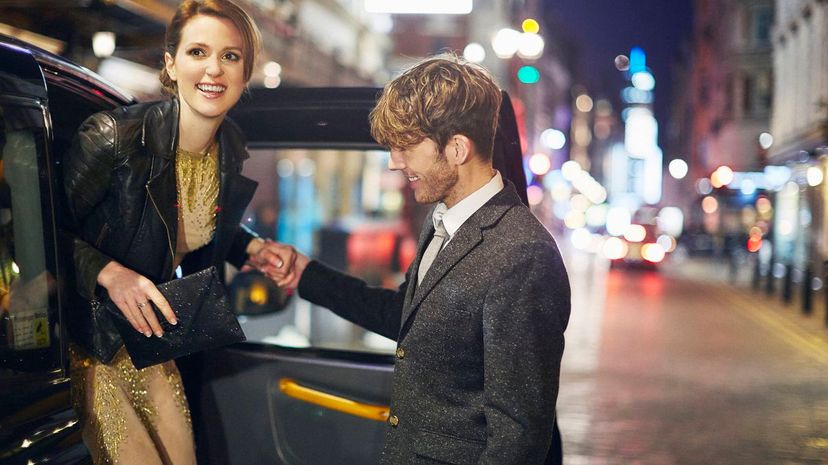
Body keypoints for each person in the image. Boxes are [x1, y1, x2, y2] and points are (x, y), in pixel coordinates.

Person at [273, 55, 571, 464]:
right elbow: (409, 319)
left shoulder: (523, 255)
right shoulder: (442, 222)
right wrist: (306, 274)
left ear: (458, 148)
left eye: (407, 145)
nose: (395, 161)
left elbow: (517, 437)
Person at [62, 2, 287, 464]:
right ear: (171, 63)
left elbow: (191, 218)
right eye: (198, 51)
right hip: (87, 341)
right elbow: (34, 233)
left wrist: (249, 247)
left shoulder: (229, 146)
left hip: (149, 340)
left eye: (230, 57)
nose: (213, 69)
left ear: (246, 73)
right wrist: (108, 272)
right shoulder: (113, 138)